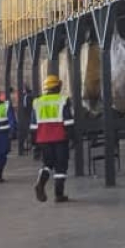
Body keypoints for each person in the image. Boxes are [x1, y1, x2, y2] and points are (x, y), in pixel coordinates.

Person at [31, 75, 75, 203]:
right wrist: (72, 138)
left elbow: (33, 125)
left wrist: (35, 144)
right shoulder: (63, 100)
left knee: (48, 164)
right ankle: (59, 194)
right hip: (60, 138)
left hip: (43, 139)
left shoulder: (37, 102)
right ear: (58, 86)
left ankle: (41, 183)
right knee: (61, 166)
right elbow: (68, 122)